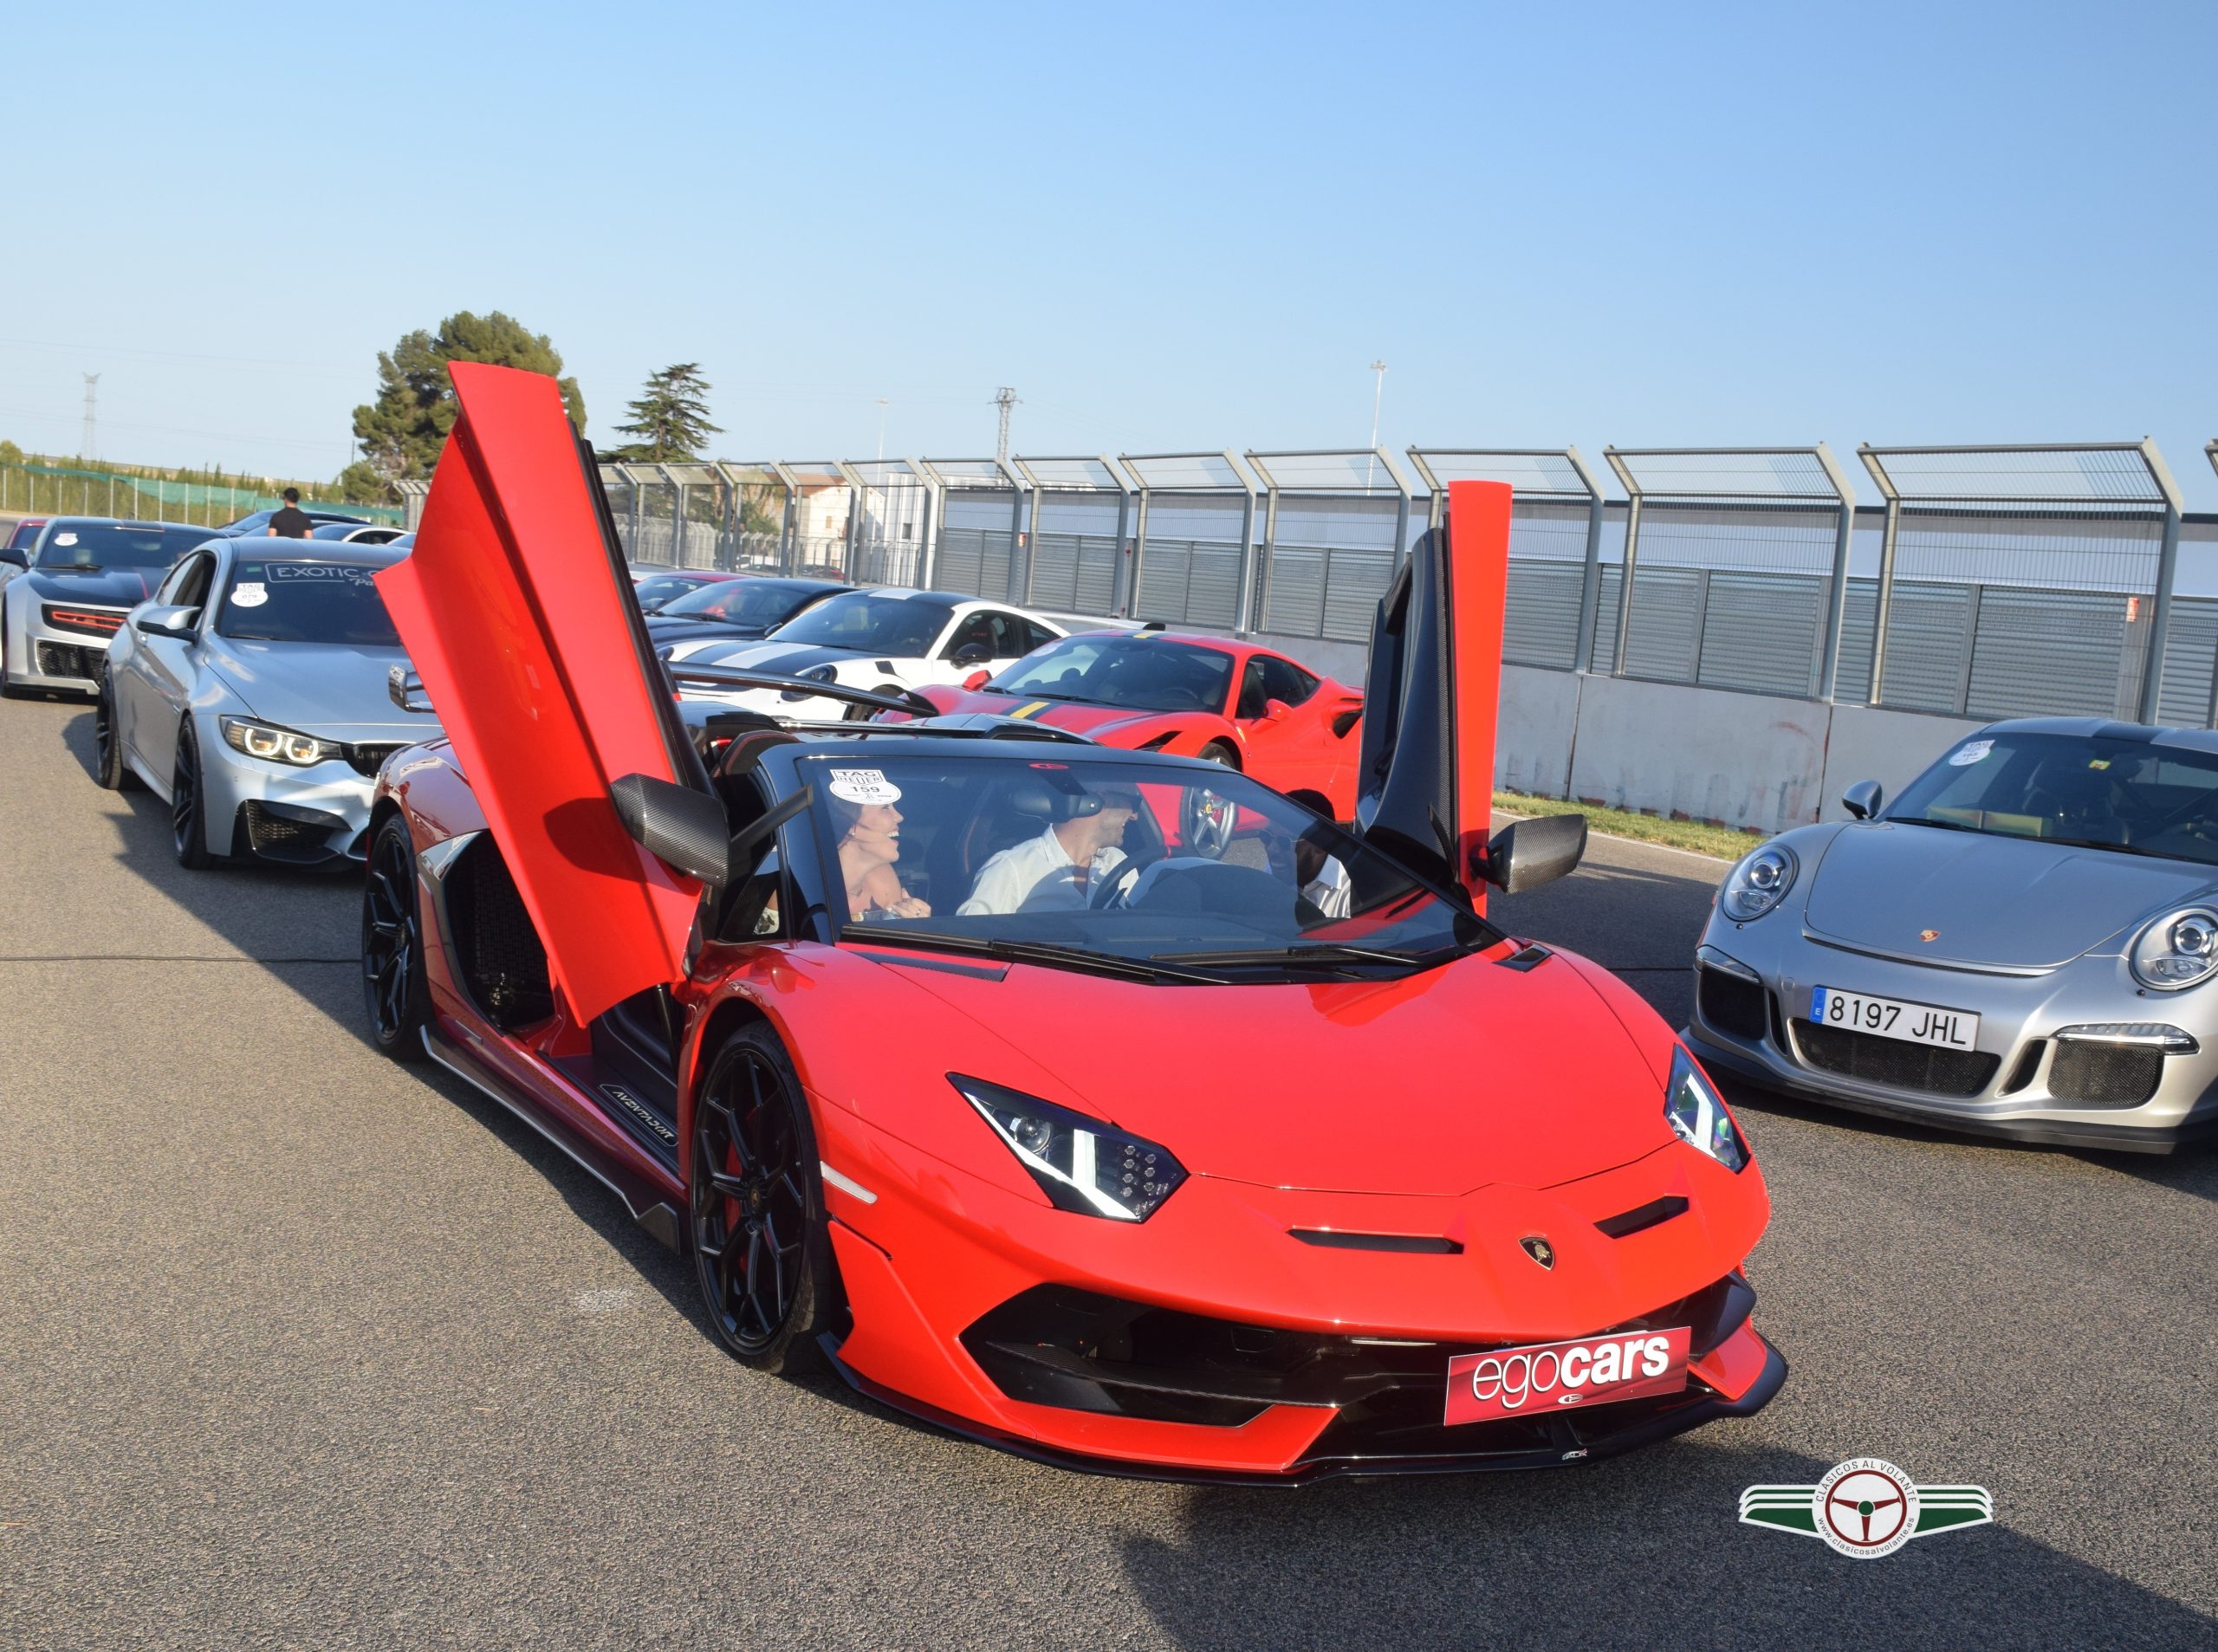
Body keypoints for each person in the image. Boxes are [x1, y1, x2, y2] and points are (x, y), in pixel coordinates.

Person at [959, 786, 1139, 915]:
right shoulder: (1012, 867)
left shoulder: (1120, 864)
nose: (1134, 815)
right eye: (1134, 803)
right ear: (1100, 799)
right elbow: (971, 942)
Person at [829, 781, 930, 922]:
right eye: (885, 807)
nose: (899, 817)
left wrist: (914, 924)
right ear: (850, 823)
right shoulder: (808, 888)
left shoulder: (883, 877)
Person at [1283, 788, 1352, 918]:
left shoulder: (1352, 894)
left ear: (1320, 844)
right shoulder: (1281, 866)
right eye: (1266, 837)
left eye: (1284, 842)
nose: (1272, 849)